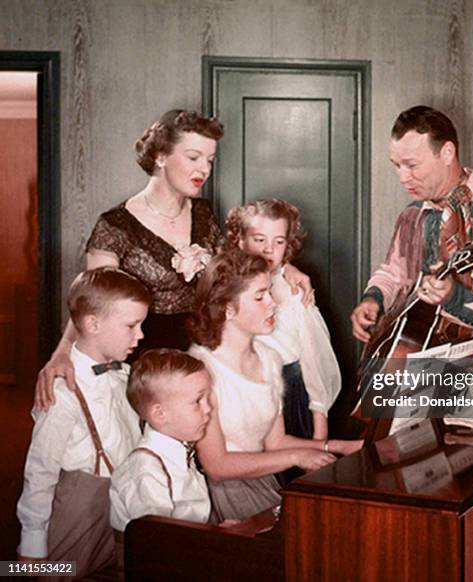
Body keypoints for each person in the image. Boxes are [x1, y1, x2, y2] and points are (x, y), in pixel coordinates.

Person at [35, 109, 312, 409]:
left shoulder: (204, 213)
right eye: (194, 157)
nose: (204, 169)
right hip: (146, 364)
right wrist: (62, 352)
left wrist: (285, 267)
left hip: (205, 353)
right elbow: (93, 304)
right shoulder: (115, 226)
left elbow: (234, 268)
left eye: (209, 160)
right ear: (161, 156)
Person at [351, 105, 473, 357]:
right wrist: (373, 299)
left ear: (447, 153)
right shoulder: (413, 215)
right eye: (396, 165)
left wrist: (454, 296)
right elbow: (393, 273)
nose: (402, 177)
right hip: (414, 354)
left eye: (411, 165)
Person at [187, 249, 362, 521]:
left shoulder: (268, 359)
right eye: (260, 297)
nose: (272, 303)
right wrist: (298, 458)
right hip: (218, 498)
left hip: (262, 483)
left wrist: (341, 447)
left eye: (270, 292)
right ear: (228, 309)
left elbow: (276, 442)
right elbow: (216, 465)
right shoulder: (203, 368)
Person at [16, 267, 149, 576]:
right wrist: (32, 545)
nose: (140, 335)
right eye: (132, 325)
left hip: (118, 507)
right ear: (93, 324)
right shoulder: (62, 393)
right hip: (78, 512)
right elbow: (40, 471)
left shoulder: (124, 374)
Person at [224, 198, 341, 442]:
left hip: (290, 396)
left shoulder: (294, 291)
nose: (269, 249)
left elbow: (314, 363)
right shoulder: (224, 285)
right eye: (259, 240)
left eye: (279, 242)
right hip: (242, 396)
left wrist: (320, 432)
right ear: (240, 240)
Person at [110, 349, 213, 533]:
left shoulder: (179, 449)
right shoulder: (146, 470)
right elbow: (159, 542)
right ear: (159, 414)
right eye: (198, 401)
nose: (208, 408)